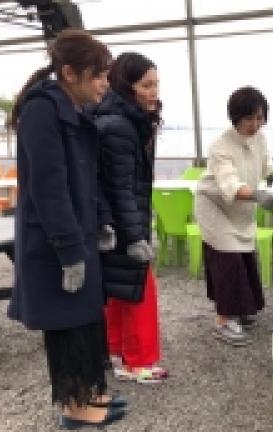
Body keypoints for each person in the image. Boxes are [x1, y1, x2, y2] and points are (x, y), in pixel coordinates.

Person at [7, 29, 126, 429]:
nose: (104, 85)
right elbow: (48, 187)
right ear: (70, 73)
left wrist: (103, 222)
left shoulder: (74, 110)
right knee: (67, 323)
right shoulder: (42, 110)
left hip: (79, 233)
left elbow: (88, 178)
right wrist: (69, 248)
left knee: (87, 317)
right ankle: (73, 406)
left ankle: (91, 389)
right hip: (55, 240)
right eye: (98, 76)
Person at [92, 52, 168, 383]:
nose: (154, 92)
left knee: (118, 289)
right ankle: (139, 361)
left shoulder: (115, 118)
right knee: (139, 288)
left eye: (156, 84)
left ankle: (115, 352)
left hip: (113, 223)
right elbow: (121, 189)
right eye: (146, 85)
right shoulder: (121, 126)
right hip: (125, 223)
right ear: (127, 86)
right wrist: (137, 235)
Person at [195, 86, 273, 346]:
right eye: (249, 119)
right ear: (236, 118)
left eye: (259, 117)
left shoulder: (260, 138)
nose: (255, 124)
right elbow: (229, 184)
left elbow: (265, 159)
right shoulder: (220, 146)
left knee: (244, 254)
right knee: (227, 257)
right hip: (215, 205)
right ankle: (223, 320)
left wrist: (270, 174)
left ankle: (242, 308)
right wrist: (258, 196)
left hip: (240, 208)